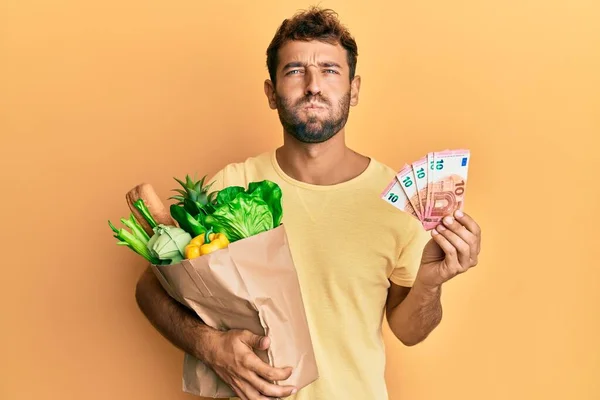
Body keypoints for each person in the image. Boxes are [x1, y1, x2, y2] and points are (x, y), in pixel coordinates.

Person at [135, 6, 482, 400]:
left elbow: (409, 331)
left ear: (354, 90)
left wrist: (430, 284)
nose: (313, 85)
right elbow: (150, 289)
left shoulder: (397, 197)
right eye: (295, 70)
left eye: (330, 70)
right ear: (271, 92)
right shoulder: (231, 186)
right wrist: (209, 347)